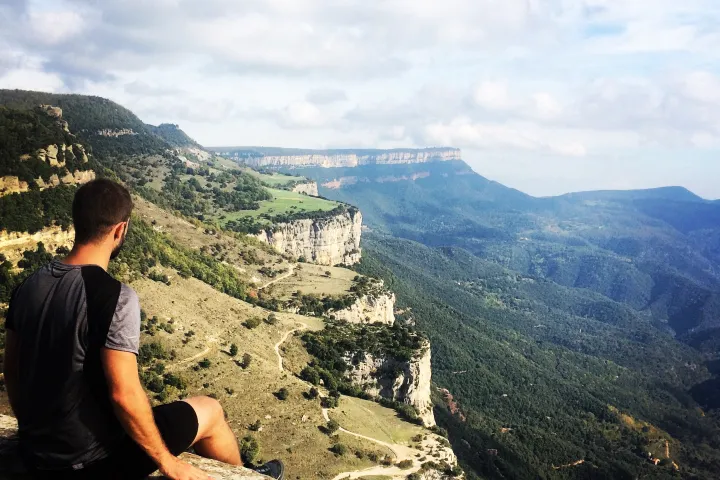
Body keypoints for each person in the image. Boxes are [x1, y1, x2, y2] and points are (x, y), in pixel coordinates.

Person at [3, 179, 284, 480]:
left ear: (77, 222)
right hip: (94, 462)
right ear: (120, 230)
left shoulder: (28, 286)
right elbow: (124, 394)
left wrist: (35, 436)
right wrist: (168, 462)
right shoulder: (115, 297)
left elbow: (13, 371)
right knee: (210, 410)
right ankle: (248, 476)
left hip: (37, 452)